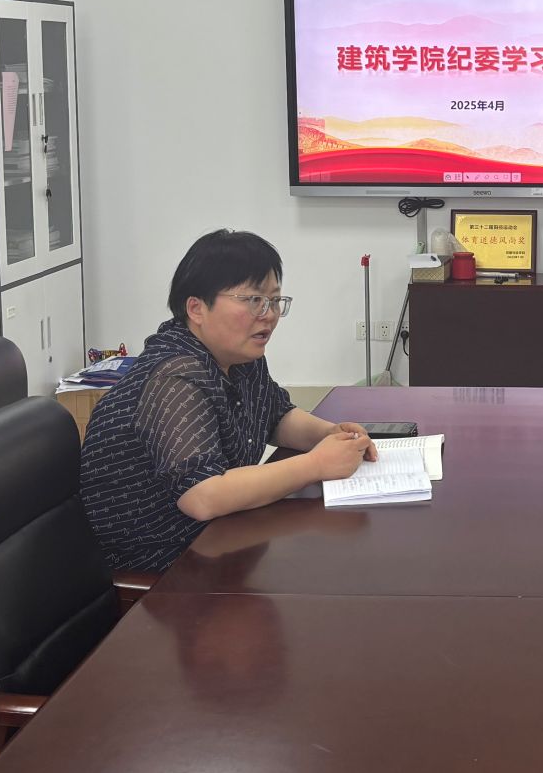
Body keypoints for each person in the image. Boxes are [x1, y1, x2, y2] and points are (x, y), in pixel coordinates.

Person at [81, 229, 378, 572]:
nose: (269, 314)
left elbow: (276, 416)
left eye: (274, 301)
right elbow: (203, 496)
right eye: (253, 300)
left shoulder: (240, 356)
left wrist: (328, 434)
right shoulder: (175, 377)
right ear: (196, 308)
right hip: (159, 563)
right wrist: (316, 465)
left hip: (217, 538)